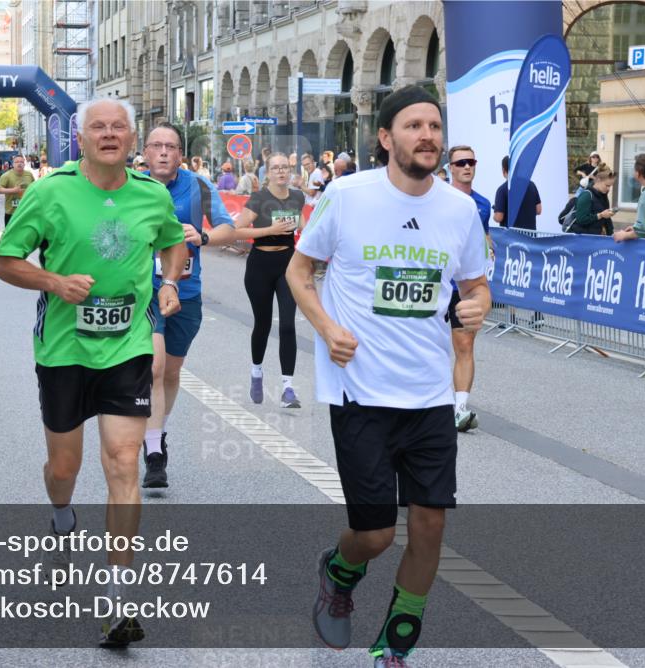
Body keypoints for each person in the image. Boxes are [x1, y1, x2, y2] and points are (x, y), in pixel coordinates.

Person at [285, 85, 490, 667]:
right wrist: (327, 329)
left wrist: (479, 305)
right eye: (413, 126)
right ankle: (339, 571)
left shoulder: (460, 210)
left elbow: (475, 285)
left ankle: (396, 644)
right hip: (360, 390)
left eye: (434, 126)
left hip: (430, 393)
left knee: (429, 526)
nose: (427, 135)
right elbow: (300, 271)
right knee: (374, 534)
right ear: (385, 137)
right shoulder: (347, 196)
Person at [0, 98, 186, 648]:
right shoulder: (50, 192)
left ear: (132, 138)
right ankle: (61, 512)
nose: (108, 134)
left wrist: (170, 282)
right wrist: (54, 283)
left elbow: (172, 242)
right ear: (81, 139)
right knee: (65, 466)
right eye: (97, 127)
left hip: (127, 347)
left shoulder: (151, 194)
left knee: (124, 463)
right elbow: (5, 261)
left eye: (118, 127)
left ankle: (118, 600)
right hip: (64, 351)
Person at [140, 122, 236, 488]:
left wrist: (204, 235)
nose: (164, 152)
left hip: (186, 292)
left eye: (171, 146)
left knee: (171, 372)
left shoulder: (198, 185)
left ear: (181, 154)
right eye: (157, 145)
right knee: (154, 367)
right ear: (145, 152)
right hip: (144, 291)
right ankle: (153, 454)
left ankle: (157, 432)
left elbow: (229, 229)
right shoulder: (132, 186)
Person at [233, 152, 306, 408]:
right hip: (260, 266)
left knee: (287, 324)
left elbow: (303, 226)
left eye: (284, 167)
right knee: (263, 323)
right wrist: (270, 231)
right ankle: (256, 372)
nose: (281, 172)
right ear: (268, 172)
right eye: (275, 168)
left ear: (290, 170)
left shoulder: (297, 197)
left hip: (288, 265)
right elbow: (237, 230)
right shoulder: (259, 198)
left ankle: (288, 388)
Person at [445, 145, 493, 432]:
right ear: (450, 167)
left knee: (464, 344)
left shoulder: (483, 204)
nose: (467, 167)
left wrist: (489, 246)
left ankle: (459, 408)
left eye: (471, 162)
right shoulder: (439, 198)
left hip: (464, 288)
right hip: (436, 284)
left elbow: (481, 236)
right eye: (461, 162)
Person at [493, 155, 542, 229]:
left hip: (512, 235)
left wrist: (495, 213)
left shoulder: (502, 190)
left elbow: (499, 217)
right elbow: (538, 210)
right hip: (530, 235)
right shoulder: (531, 185)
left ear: (503, 170)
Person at [570, 164, 616, 236]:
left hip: (599, 237)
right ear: (598, 180)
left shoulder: (603, 195)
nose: (609, 189)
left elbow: (606, 220)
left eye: (610, 186)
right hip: (588, 238)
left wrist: (611, 233)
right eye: (607, 185)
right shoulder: (586, 195)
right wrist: (601, 215)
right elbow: (581, 219)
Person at [0, 155, 36, 227]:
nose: (19, 163)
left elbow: (34, 188)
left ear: (24, 164)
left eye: (21, 162)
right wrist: (13, 190)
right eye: (17, 162)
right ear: (13, 164)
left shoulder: (29, 175)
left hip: (26, 211)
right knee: (10, 233)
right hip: (11, 212)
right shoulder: (6, 176)